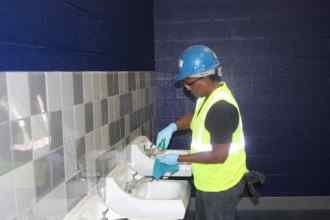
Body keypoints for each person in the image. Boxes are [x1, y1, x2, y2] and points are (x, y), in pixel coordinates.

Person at [156, 45, 248, 220]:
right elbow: (196, 116)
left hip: (221, 185)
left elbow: (219, 156)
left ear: (205, 78)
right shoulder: (208, 97)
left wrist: (178, 159)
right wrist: (173, 126)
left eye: (188, 83)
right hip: (209, 181)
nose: (186, 88)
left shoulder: (221, 108)